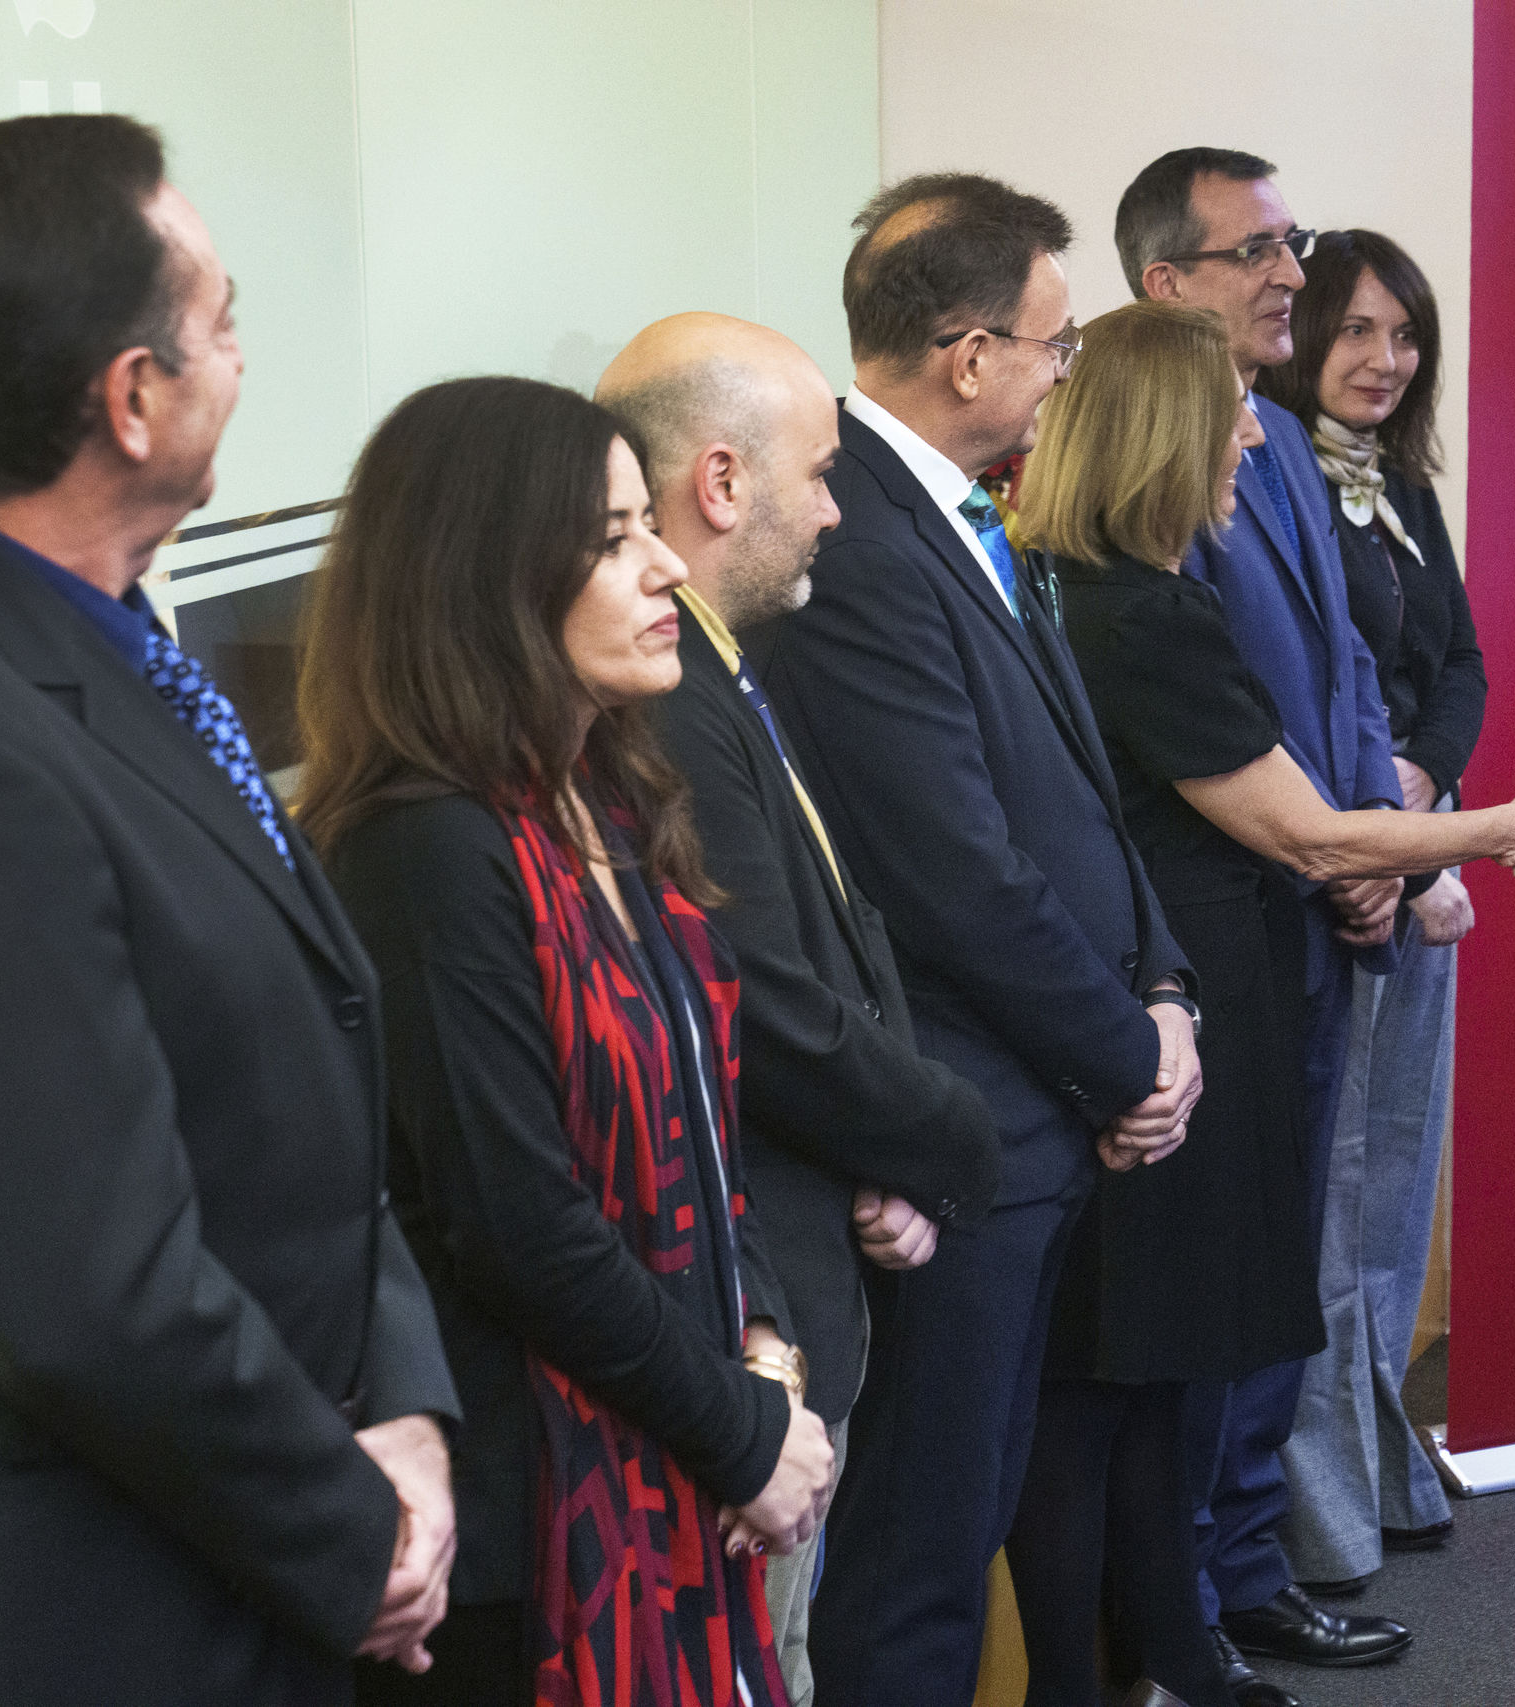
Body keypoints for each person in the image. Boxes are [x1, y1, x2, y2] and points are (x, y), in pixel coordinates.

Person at [0, 114, 460, 1705]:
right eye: (221, 321)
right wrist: (358, 1532)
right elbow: (95, 1298)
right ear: (132, 400)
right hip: (114, 1621)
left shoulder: (107, 637)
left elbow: (311, 1069)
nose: (242, 357)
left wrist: (403, 1402)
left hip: (257, 1547)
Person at [1010, 299, 1515, 1707]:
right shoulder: (1136, 612)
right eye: (1232, 417)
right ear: (1166, 436)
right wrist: (1503, 821)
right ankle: (1133, 1661)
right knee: (1122, 1387)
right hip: (1174, 1022)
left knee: (1167, 1375)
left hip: (1212, 1003)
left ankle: (1173, 1642)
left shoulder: (1117, 595)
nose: (1256, 436)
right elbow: (1312, 834)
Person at [296, 377, 835, 1706]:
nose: (663, 567)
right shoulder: (424, 848)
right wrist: (742, 1435)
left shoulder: (606, 791)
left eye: (647, 525)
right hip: (530, 1511)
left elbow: (706, 1105)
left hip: (678, 1423)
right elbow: (514, 1222)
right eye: (609, 538)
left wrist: (764, 1344)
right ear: (488, 580)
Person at [751, 172, 1200, 1707]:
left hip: (1039, 1109)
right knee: (921, 1566)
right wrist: (1126, 1055)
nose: (1064, 374)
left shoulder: (948, 506)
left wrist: (1159, 989)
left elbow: (1077, 793)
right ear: (966, 352)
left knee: (977, 1518)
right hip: (967, 1122)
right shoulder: (861, 538)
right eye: (1056, 344)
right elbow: (953, 874)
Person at [596, 312, 1005, 1704]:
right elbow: (761, 1002)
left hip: (818, 1243)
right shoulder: (668, 698)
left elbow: (844, 930)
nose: (837, 512)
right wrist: (949, 1142)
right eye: (821, 475)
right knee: (770, 1658)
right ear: (722, 483)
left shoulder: (717, 667)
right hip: (760, 1292)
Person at [1114, 146, 1409, 1696]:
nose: (1294, 274)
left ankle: (1246, 1563)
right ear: (1168, 283)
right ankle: (1190, 1601)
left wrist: (1377, 854)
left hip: (1317, 910)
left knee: (1285, 1268)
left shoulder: (1283, 441)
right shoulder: (1123, 462)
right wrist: (1340, 847)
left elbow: (1347, 664)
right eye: (1259, 252)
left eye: (1290, 243)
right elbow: (1198, 716)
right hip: (1213, 928)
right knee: (1217, 1287)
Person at [1257, 228, 1483, 1595]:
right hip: (1330, 883)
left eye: (1404, 337)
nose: (1383, 361)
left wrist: (1426, 779)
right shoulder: (1263, 483)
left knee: (1392, 1201)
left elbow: (1456, 661)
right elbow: (1285, 694)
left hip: (1413, 862)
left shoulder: (1399, 486)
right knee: (1325, 1211)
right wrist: (1376, 819)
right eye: (1353, 332)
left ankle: (1378, 1461)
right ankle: (1316, 1519)